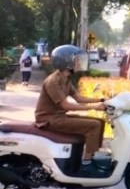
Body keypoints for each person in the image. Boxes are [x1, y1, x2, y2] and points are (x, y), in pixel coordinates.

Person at [34, 44, 108, 172]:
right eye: (76, 61)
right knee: (93, 125)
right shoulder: (53, 81)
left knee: (99, 122)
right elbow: (65, 105)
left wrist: (101, 100)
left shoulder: (66, 78)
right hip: (48, 119)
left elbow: (79, 98)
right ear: (66, 62)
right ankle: (87, 163)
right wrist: (95, 108)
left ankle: (91, 155)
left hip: (58, 117)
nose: (79, 64)